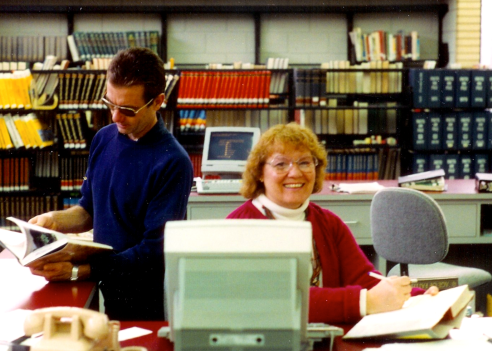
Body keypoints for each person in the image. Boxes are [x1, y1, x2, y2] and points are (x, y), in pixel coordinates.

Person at [28, 47, 194, 321]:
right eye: (110, 103)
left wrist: (78, 270)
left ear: (158, 101)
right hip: (97, 282)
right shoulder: (104, 139)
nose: (115, 117)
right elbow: (88, 210)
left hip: (143, 298)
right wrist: (53, 220)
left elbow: (153, 253)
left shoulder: (172, 161)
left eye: (127, 109)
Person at [227, 122, 437, 324]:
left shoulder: (329, 223)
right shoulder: (238, 227)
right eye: (281, 164)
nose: (295, 173)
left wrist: (415, 298)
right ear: (259, 173)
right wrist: (365, 302)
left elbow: (365, 280)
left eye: (304, 162)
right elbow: (277, 302)